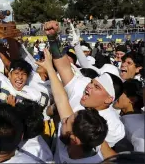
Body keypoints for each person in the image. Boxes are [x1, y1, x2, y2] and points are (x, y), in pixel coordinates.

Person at [43, 20, 125, 148]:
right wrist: (53, 39)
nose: (89, 86)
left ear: (109, 99)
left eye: (97, 87)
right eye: (92, 82)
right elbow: (64, 67)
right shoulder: (82, 86)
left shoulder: (113, 127)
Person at [36, 48, 116, 163]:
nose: (63, 119)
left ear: (74, 140)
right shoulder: (83, 133)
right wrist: (49, 68)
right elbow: (61, 98)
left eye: (67, 121)